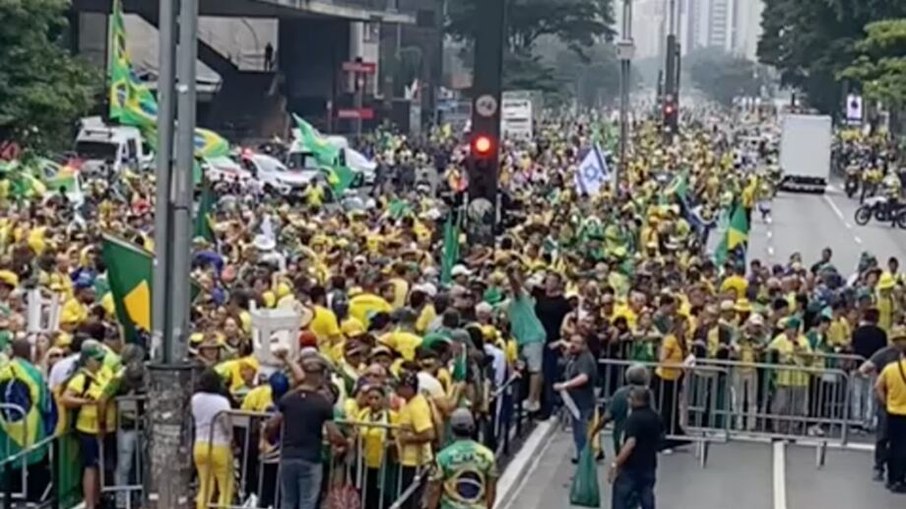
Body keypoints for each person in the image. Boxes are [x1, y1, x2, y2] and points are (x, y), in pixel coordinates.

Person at [267, 354, 346, 509]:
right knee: (307, 503)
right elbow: (334, 434)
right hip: (311, 457)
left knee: (287, 501)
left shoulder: (288, 398)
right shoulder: (322, 403)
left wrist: (271, 439)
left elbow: (272, 424)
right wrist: (345, 443)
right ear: (319, 376)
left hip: (288, 455)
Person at [859, 326, 906, 482]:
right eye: (899, 339)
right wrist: (877, 376)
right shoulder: (884, 354)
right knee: (883, 436)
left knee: (900, 441)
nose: (902, 343)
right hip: (887, 402)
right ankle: (879, 467)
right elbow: (864, 368)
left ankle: (897, 471)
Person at [426, 409, 498, 509]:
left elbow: (434, 490)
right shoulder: (487, 455)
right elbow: (491, 490)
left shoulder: (442, 457)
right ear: (473, 428)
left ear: (452, 429)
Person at [608, 386, 662, 509]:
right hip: (649, 465)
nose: (628, 401)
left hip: (631, 468)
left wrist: (616, 463)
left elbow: (630, 444)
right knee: (646, 496)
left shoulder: (633, 419)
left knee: (622, 498)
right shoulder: (655, 417)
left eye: (630, 398)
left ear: (637, 400)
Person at [191, 368, 234, 509]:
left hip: (199, 444)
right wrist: (231, 439)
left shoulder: (195, 399)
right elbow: (226, 424)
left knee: (205, 486)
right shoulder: (221, 401)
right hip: (218, 445)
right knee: (225, 487)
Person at [553, 333, 597, 462]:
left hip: (583, 402)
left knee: (582, 432)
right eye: (571, 341)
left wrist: (565, 385)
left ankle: (584, 458)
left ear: (584, 345)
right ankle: (580, 454)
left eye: (577, 343)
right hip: (575, 402)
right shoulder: (576, 357)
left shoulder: (585, 358)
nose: (572, 345)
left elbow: (583, 377)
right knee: (578, 431)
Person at [875, 330, 906, 493]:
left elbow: (878, 387)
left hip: (893, 411)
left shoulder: (890, 368)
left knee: (893, 445)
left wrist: (886, 402)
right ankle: (901, 478)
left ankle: (891, 478)